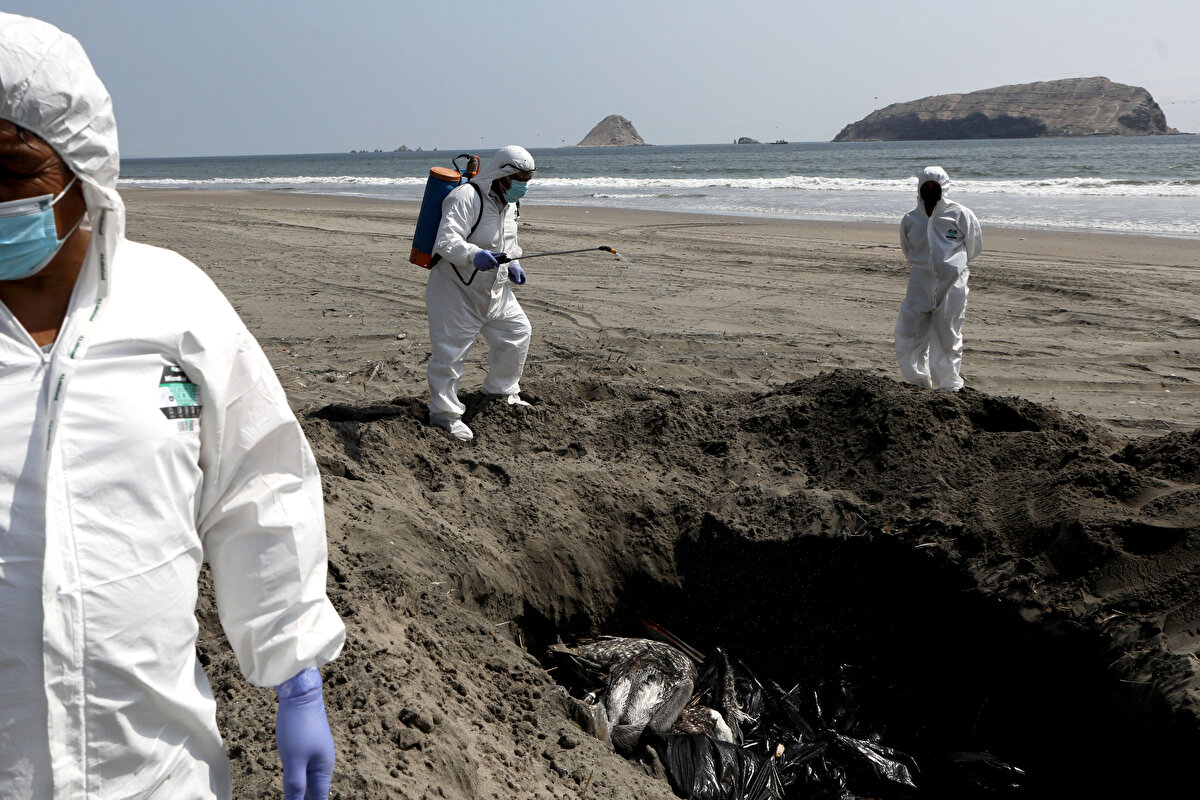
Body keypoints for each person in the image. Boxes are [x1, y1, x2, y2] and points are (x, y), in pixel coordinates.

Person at [0, 14, 345, 800]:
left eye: (6, 165)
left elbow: (259, 487)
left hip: (156, 771)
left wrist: (296, 677)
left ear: (80, 163)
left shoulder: (176, 304)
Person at [426, 145, 536, 441]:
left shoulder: (509, 205)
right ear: (503, 175)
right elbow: (446, 241)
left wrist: (514, 263)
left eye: (528, 178)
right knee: (449, 354)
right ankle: (445, 416)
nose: (523, 185)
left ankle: (502, 392)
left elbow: (508, 242)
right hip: (455, 291)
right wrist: (474, 255)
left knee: (517, 333)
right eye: (519, 178)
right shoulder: (465, 197)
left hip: (496, 290)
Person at [894, 166, 983, 392]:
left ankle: (949, 384)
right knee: (910, 329)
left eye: (935, 186)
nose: (931, 190)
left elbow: (973, 247)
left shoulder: (960, 214)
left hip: (952, 286)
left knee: (948, 333)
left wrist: (952, 269)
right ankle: (918, 379)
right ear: (920, 188)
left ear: (944, 187)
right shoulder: (910, 219)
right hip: (920, 283)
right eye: (927, 187)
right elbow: (908, 250)